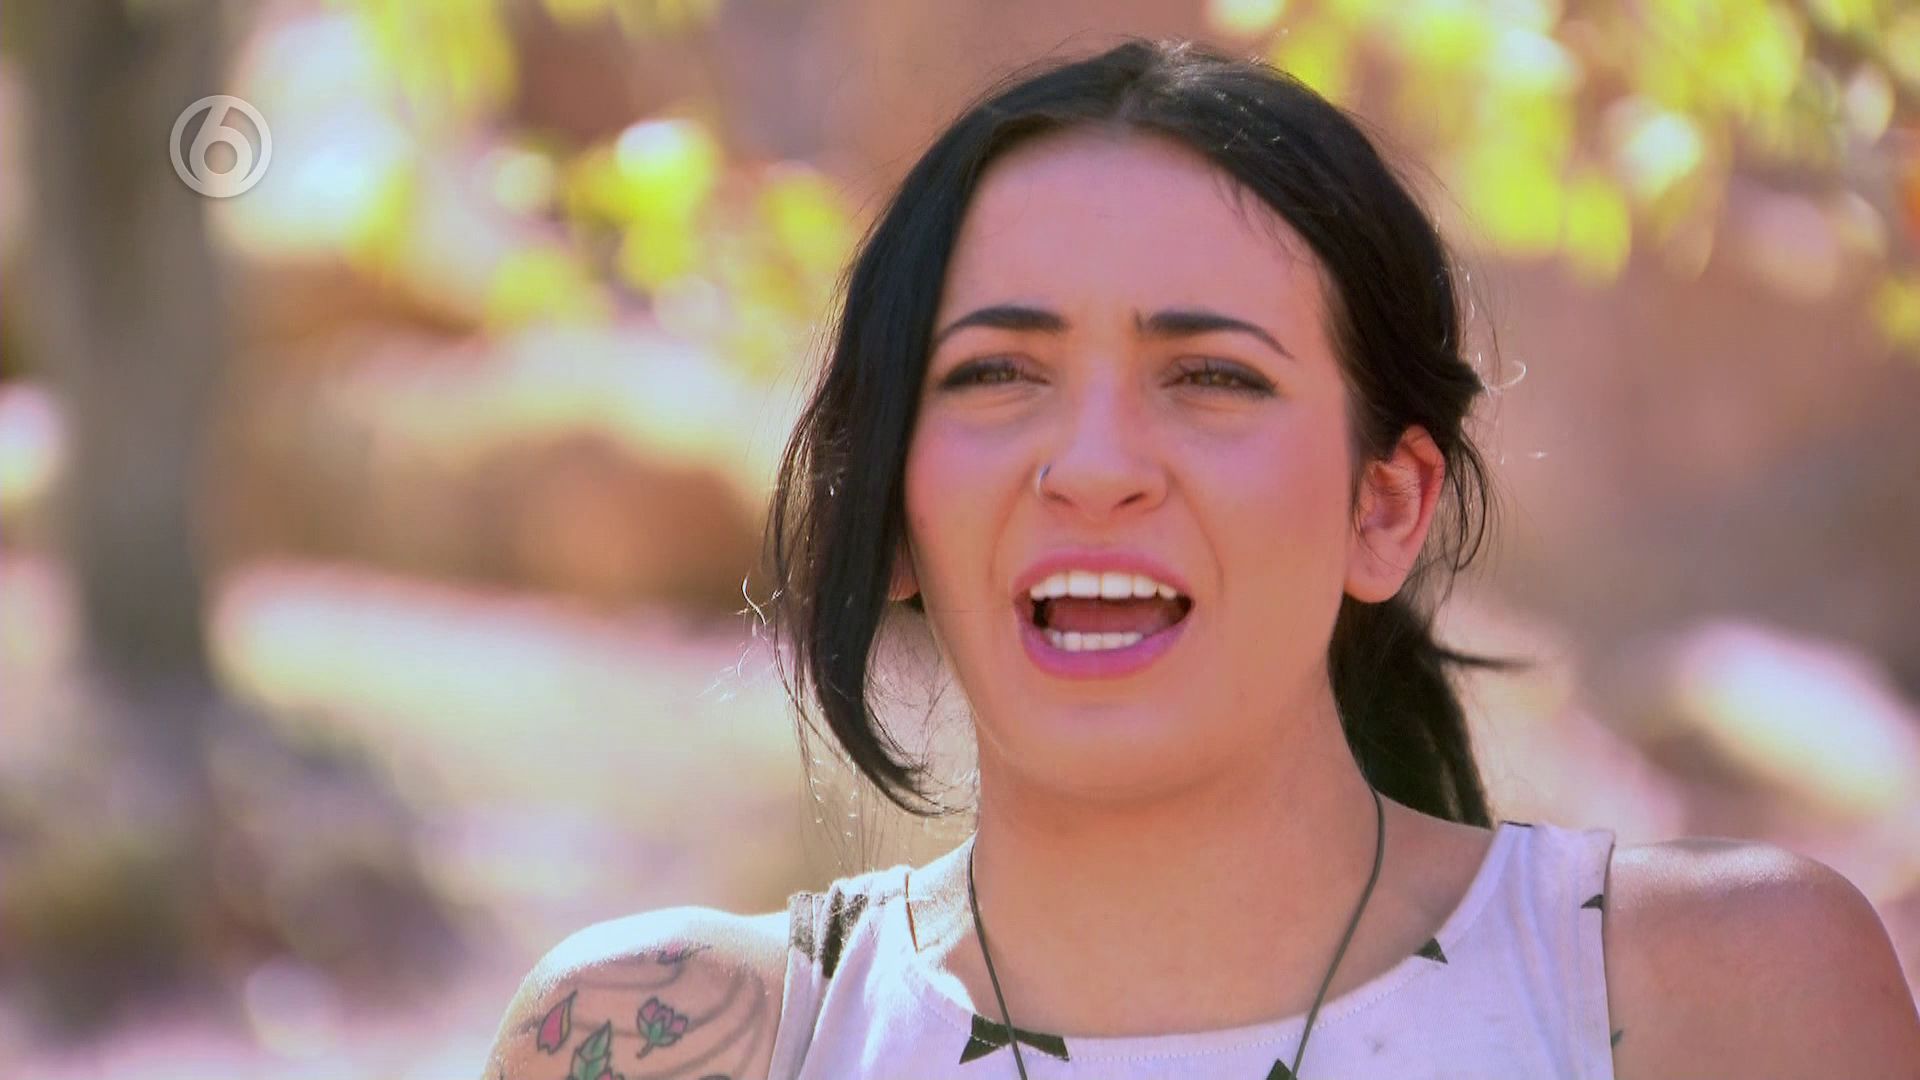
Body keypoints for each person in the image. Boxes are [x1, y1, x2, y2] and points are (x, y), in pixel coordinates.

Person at [484, 37, 1920, 1079]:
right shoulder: (654, 1040)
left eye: (1213, 377)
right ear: (895, 511)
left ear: (1387, 509)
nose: (1093, 464)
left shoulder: (1726, 999)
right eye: (996, 374)